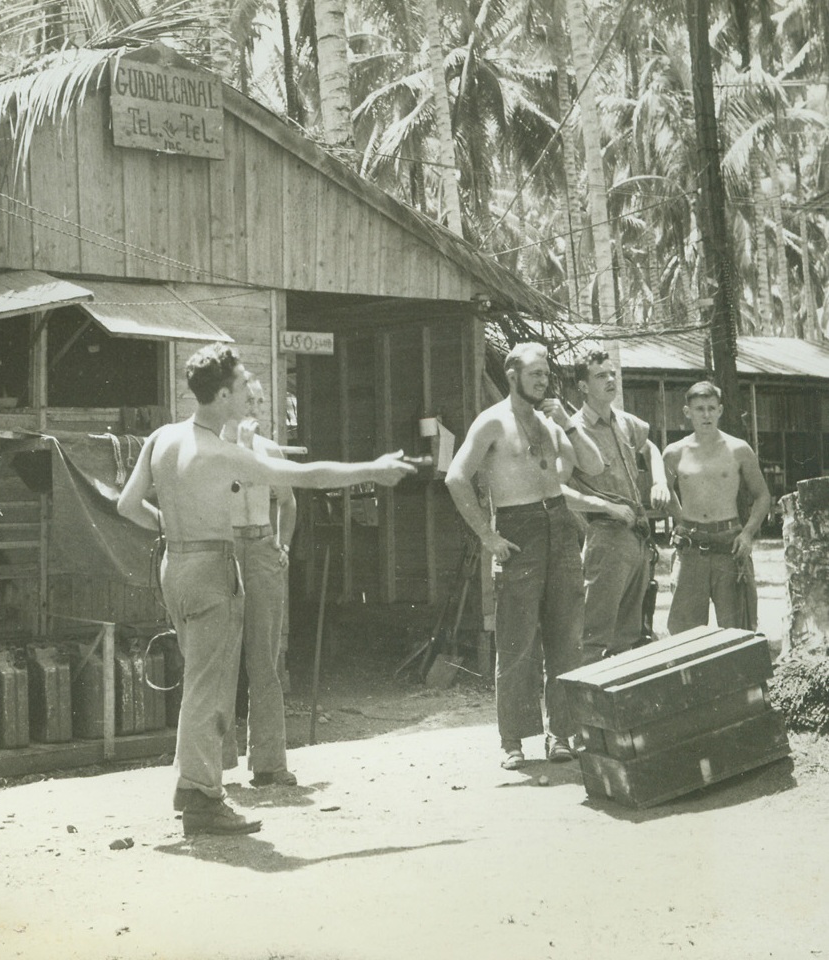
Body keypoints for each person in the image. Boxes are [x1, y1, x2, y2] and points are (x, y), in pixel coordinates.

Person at [117, 344, 413, 836]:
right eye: (242, 384)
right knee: (208, 690)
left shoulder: (163, 437)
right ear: (224, 394)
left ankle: (192, 787)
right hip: (211, 566)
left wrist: (171, 528)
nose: (249, 391)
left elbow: (128, 506)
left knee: (201, 680)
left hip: (175, 565)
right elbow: (304, 475)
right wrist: (372, 470)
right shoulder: (219, 450)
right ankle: (202, 798)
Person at [444, 342, 605, 770]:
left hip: (559, 525)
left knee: (565, 638)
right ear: (513, 376)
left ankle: (562, 734)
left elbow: (594, 465)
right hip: (518, 528)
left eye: (546, 373)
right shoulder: (491, 422)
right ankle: (513, 740)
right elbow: (455, 478)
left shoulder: (550, 423)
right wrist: (488, 536)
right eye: (535, 373)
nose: (543, 380)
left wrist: (567, 422)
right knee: (517, 641)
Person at [564, 349, 671, 663]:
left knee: (628, 636)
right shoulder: (574, 430)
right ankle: (581, 710)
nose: (611, 380)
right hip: (605, 536)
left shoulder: (624, 421)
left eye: (611, 374)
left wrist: (659, 480)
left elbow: (650, 447)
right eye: (601, 376)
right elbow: (555, 488)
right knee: (593, 638)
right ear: (583, 386)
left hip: (637, 535)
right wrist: (604, 506)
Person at [219, 376, 298, 787]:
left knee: (264, 658)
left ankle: (269, 763)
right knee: (221, 657)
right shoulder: (215, 447)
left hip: (262, 546)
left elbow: (287, 501)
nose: (255, 408)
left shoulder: (270, 450)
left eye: (261, 402)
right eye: (248, 400)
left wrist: (281, 545)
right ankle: (215, 765)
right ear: (230, 401)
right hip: (226, 550)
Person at [663, 382, 770, 634]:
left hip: (729, 545)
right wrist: (680, 518)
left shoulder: (739, 449)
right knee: (685, 633)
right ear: (687, 412)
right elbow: (663, 489)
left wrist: (747, 533)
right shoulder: (674, 453)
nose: (706, 415)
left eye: (712, 408)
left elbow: (762, 495)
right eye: (699, 409)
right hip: (690, 549)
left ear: (720, 410)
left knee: (738, 630)